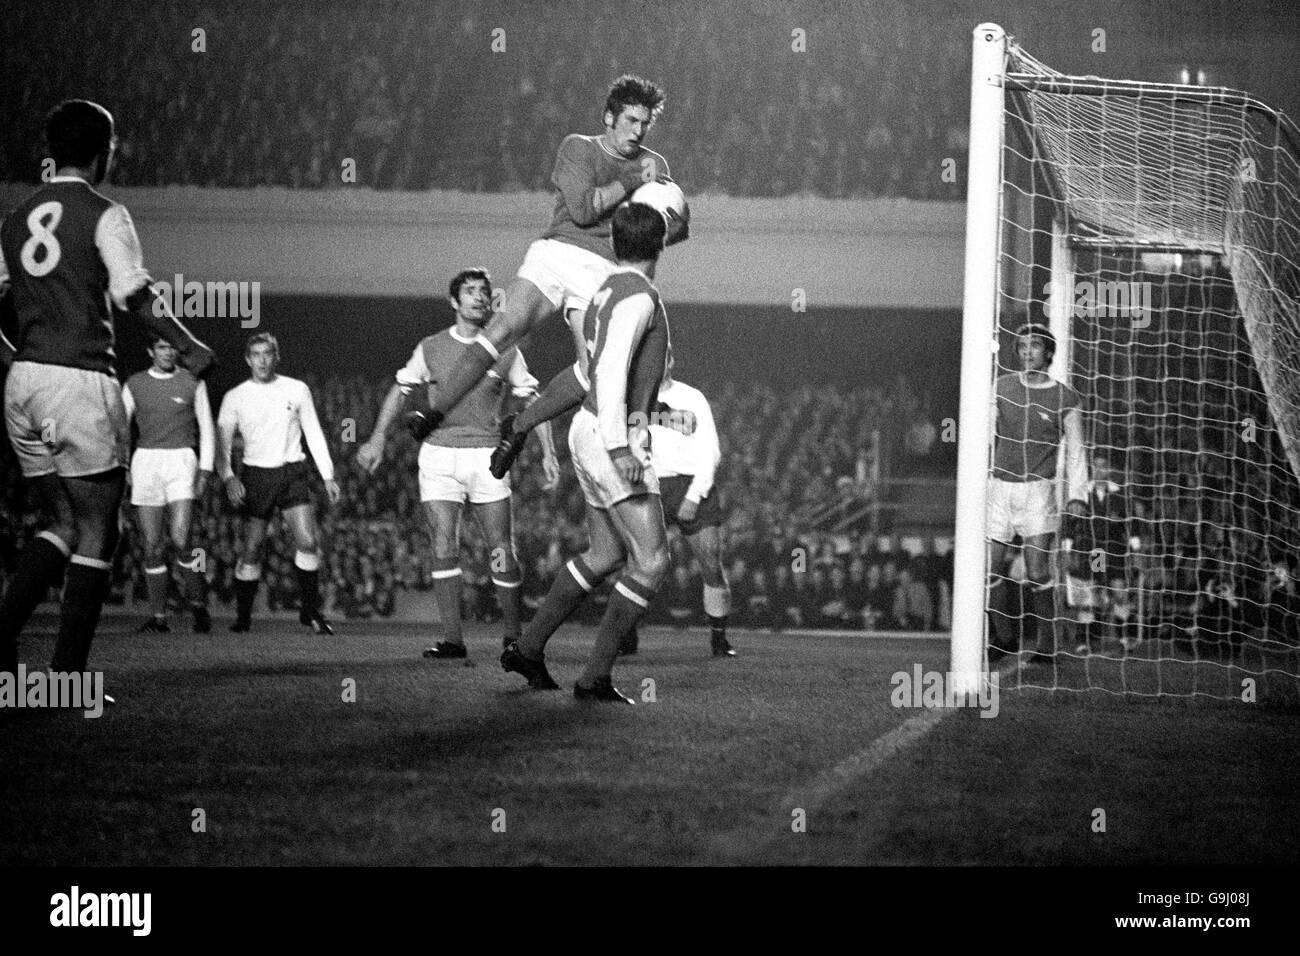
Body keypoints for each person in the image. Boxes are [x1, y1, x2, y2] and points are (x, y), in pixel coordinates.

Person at [0, 100, 213, 697]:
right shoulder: (105, 212)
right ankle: (66, 675)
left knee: (59, 521)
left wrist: (15, 360)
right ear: (105, 149)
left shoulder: (15, 218)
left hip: (23, 380)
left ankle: (6, 633)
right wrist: (192, 346)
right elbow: (133, 296)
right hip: (80, 376)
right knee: (98, 530)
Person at [403, 76, 689, 457]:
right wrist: (631, 179)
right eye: (631, 121)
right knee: (501, 330)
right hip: (558, 253)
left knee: (593, 374)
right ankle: (433, 413)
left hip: (603, 271)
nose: (638, 131)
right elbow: (583, 210)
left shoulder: (655, 163)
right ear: (608, 117)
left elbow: (674, 224)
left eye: (644, 123)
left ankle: (519, 426)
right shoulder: (578, 148)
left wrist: (672, 223)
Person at [500, 203, 673, 703]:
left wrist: (526, 421)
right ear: (660, 245)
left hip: (586, 428)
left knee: (605, 554)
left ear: (615, 245)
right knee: (652, 561)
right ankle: (595, 676)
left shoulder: (601, 294)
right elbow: (612, 370)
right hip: (610, 435)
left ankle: (528, 648)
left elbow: (582, 374)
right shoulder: (640, 296)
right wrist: (621, 446)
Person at [354, 268, 558, 659]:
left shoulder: (506, 349)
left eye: (484, 291)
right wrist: (377, 436)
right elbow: (401, 389)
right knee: (443, 543)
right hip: (438, 456)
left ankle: (513, 637)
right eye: (470, 291)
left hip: (486, 457)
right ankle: (452, 639)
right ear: (454, 302)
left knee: (501, 547)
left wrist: (548, 450)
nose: (480, 297)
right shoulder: (430, 347)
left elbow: (533, 400)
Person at [216, 332, 339, 634]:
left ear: (276, 356)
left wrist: (328, 475)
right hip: (255, 475)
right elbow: (221, 446)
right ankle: (243, 617)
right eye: (256, 354)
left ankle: (310, 611)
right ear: (248, 359)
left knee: (308, 542)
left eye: (267, 353)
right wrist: (229, 477)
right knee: (252, 550)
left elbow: (313, 432)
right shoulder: (235, 396)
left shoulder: (297, 389)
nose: (262, 359)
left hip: (291, 472)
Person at [986, 323, 1088, 662]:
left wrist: (1078, 495)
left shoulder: (1066, 397)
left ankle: (1047, 644)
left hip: (1038, 491)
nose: (1027, 352)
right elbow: (986, 434)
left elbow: (1076, 451)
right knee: (991, 569)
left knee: (1037, 572)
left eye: (1034, 346)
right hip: (999, 488)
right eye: (1022, 346)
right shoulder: (1001, 387)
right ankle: (1003, 639)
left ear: (1049, 353)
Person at [623, 369, 734, 656]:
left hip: (688, 482)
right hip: (650, 482)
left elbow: (711, 450)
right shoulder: (632, 397)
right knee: (638, 564)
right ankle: (625, 634)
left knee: (711, 560)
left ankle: (719, 639)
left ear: (670, 359)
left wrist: (695, 495)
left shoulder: (691, 397)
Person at [123, 336, 215, 634]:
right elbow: (120, 427)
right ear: (151, 352)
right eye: (161, 347)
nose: (167, 352)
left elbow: (207, 428)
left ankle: (199, 606)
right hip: (146, 461)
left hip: (181, 461)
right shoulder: (134, 384)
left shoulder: (192, 382)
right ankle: (159, 617)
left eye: (171, 347)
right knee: (151, 546)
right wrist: (124, 464)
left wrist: (205, 469)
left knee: (181, 540)